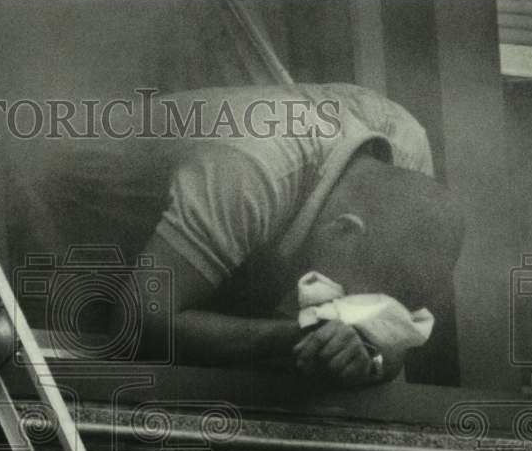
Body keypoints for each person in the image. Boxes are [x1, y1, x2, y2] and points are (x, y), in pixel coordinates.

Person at [127, 82, 466, 387]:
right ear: (345, 230)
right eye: (347, 295)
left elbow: (390, 335)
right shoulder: (249, 173)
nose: (344, 308)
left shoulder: (407, 151)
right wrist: (299, 334)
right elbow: (135, 323)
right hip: (89, 226)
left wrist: (367, 351)